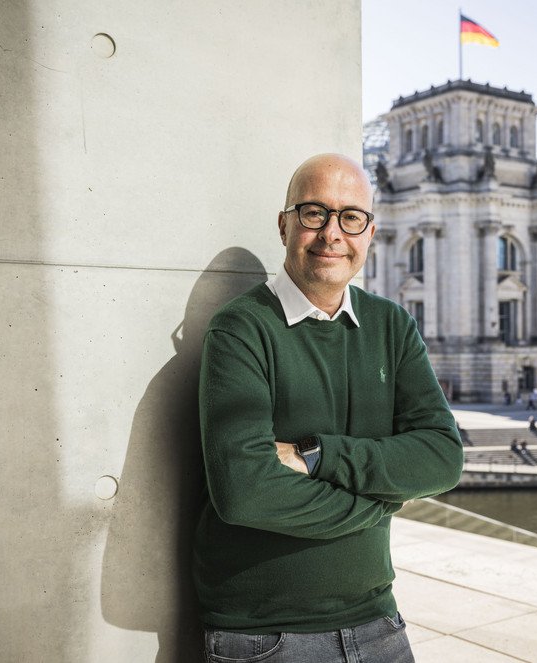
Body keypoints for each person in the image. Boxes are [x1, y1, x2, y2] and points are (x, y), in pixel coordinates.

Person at [192, 153, 464, 662]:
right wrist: (380, 500)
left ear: (369, 232)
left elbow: (442, 457)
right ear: (284, 225)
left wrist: (316, 455)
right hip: (264, 636)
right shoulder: (242, 327)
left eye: (350, 217)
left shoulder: (393, 326)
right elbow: (244, 492)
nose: (332, 233)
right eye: (313, 213)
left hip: (378, 620)